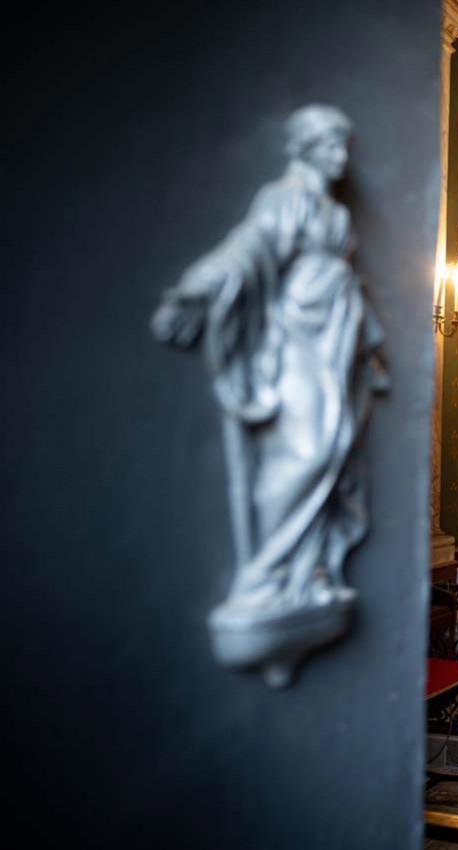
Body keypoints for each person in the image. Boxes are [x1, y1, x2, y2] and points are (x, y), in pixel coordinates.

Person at [151, 104, 387, 679]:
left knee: (333, 449)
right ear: (304, 147)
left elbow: (348, 280)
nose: (341, 156)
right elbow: (245, 250)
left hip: (337, 343)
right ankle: (263, 578)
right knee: (303, 452)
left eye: (343, 145)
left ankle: (305, 574)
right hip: (299, 341)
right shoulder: (285, 198)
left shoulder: (334, 211)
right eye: (330, 145)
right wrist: (192, 293)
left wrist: (370, 344)